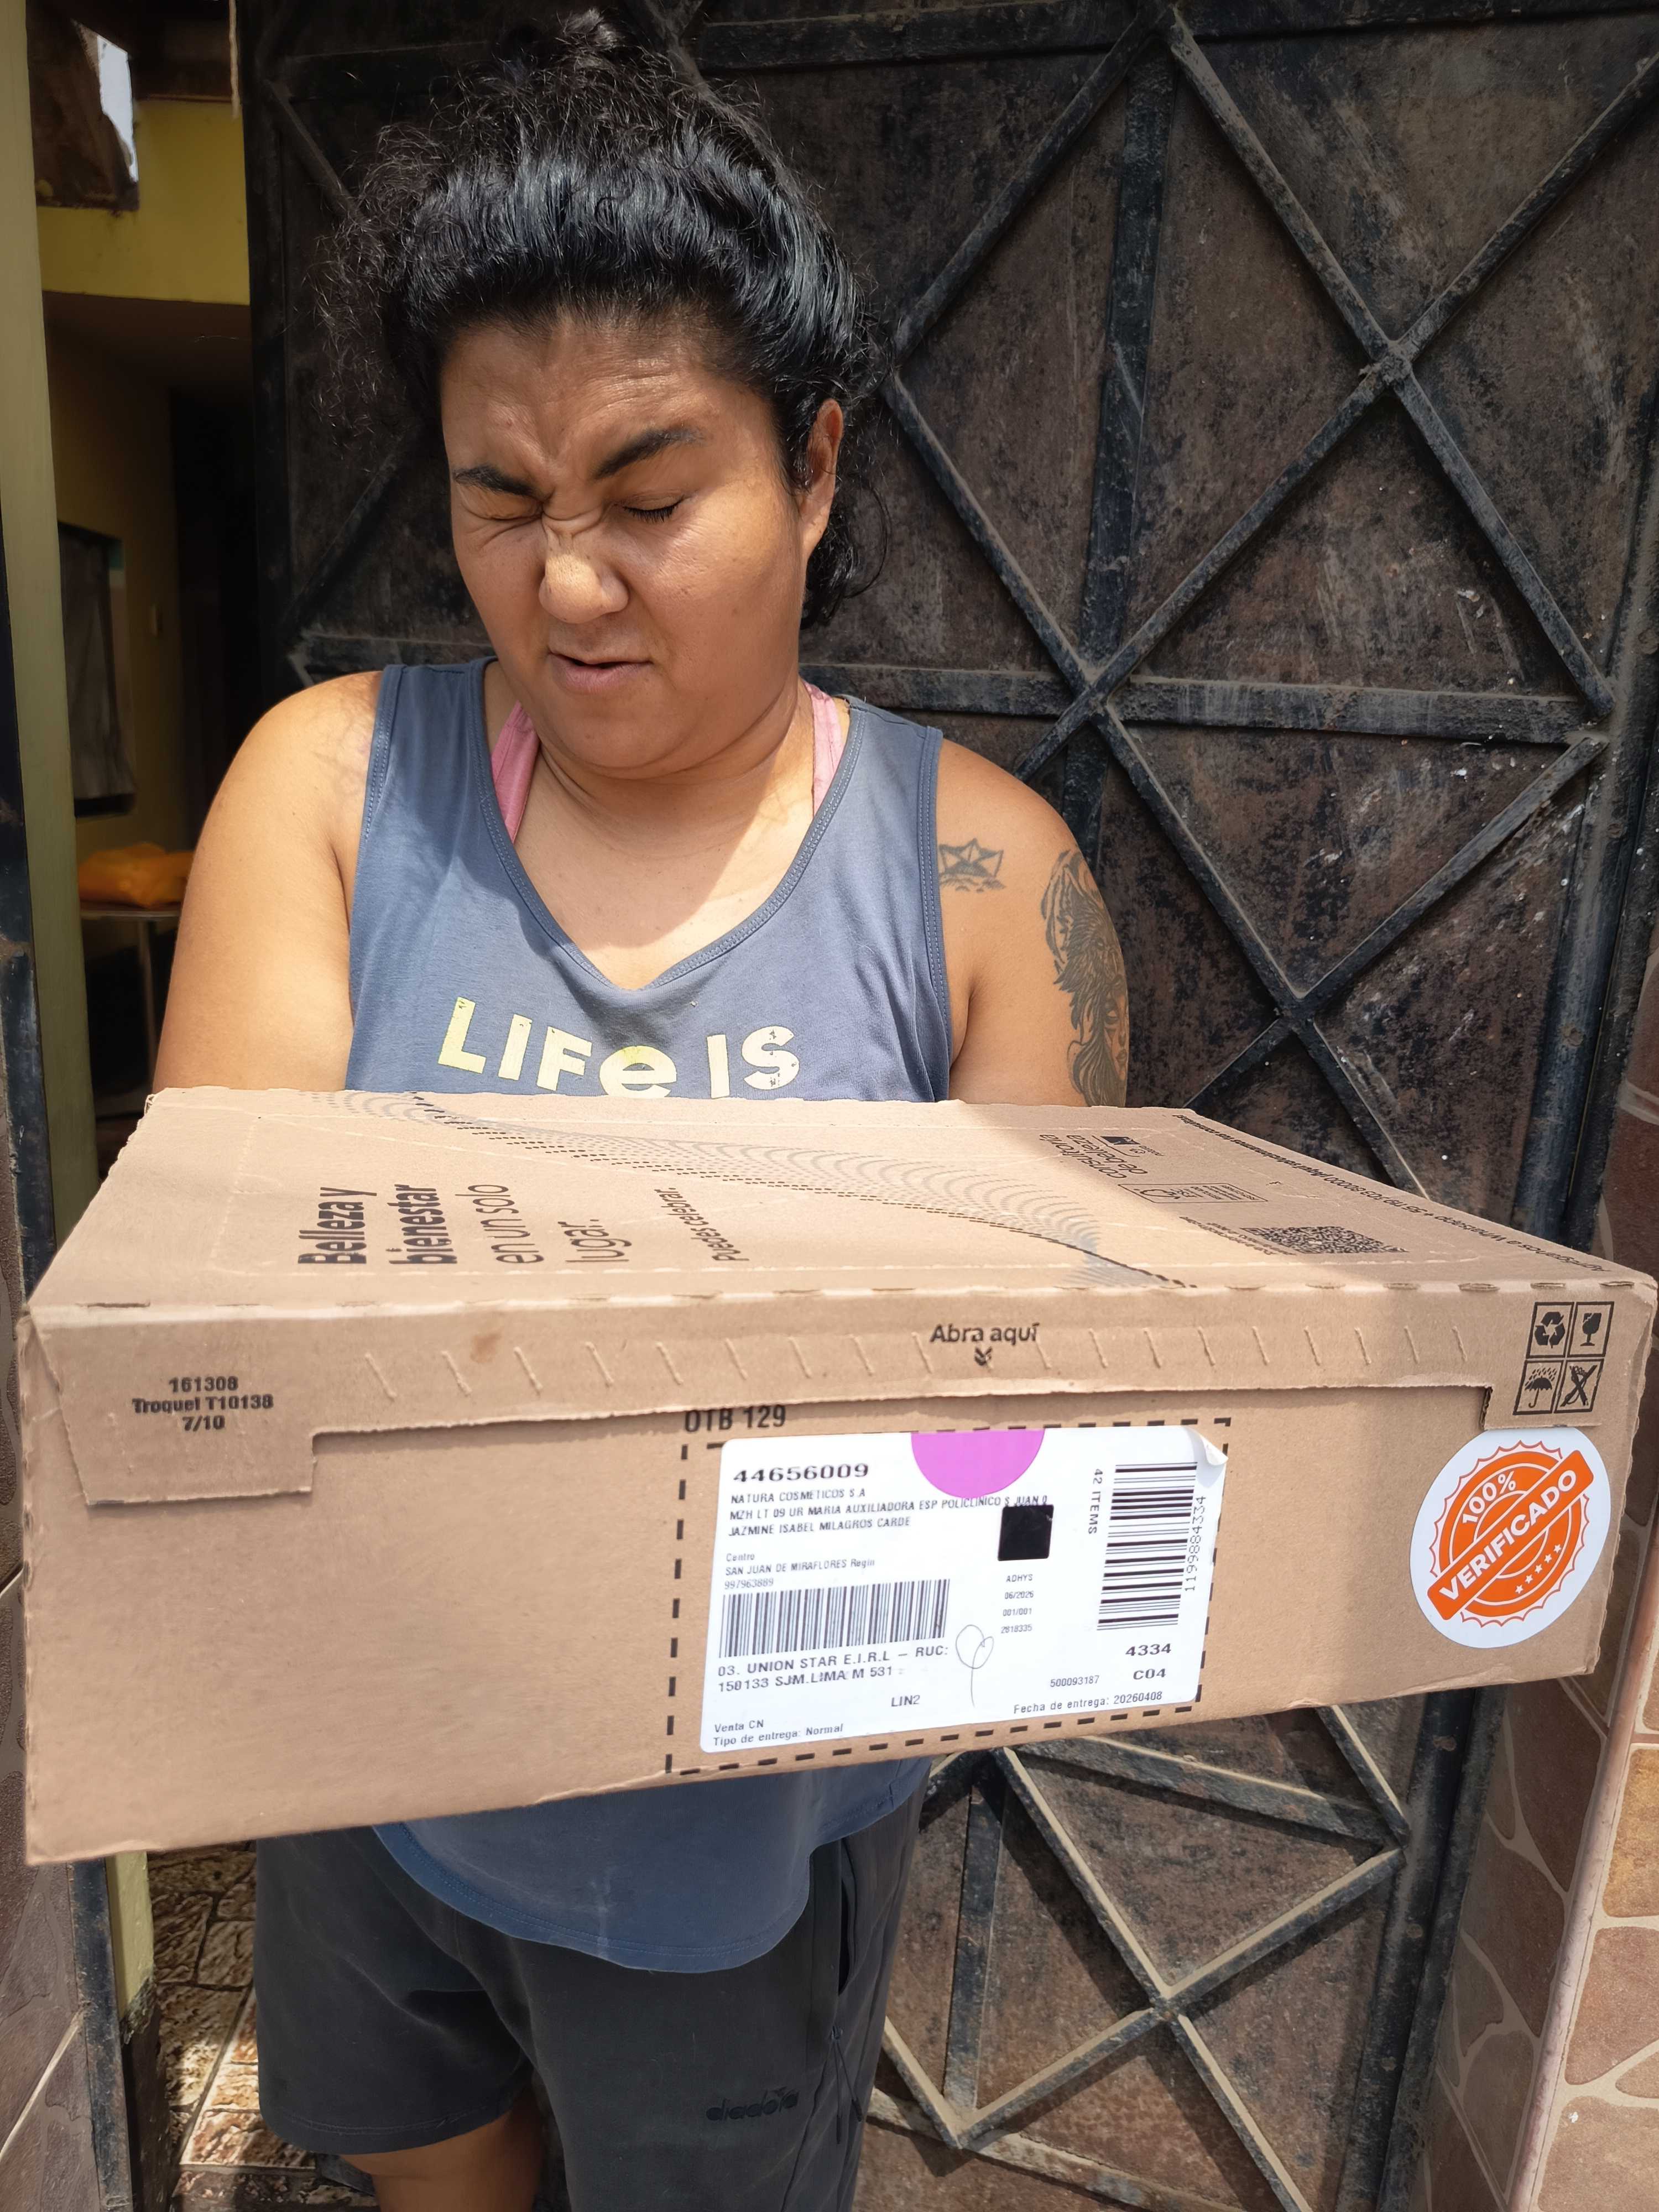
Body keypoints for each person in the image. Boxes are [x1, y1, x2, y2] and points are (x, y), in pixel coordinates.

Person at [155, 16, 1129, 2210]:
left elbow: (1036, 1435)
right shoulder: (332, 791)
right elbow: (223, 1332)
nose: (567, 584)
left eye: (649, 497)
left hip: (733, 1857)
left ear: (816, 468)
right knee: (429, 2171)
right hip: (372, 1776)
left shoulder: (988, 886)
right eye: (498, 502)